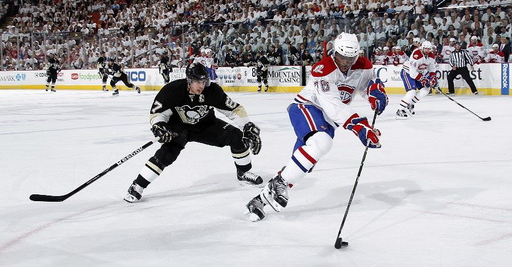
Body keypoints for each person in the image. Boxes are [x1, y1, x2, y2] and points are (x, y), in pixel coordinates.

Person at [244, 32, 388, 221]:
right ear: (334, 52)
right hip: (306, 107)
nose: (346, 62)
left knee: (303, 165)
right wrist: (360, 127)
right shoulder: (323, 69)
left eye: (350, 58)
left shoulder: (363, 66)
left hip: (326, 121)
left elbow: (367, 83)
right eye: (342, 57)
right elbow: (333, 106)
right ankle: (279, 182)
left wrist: (374, 91)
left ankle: (259, 201)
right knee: (322, 142)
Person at [124, 62, 263, 203]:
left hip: (206, 126)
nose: (201, 86)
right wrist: (159, 125)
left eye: (203, 81)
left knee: (237, 136)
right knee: (166, 154)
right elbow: (157, 113)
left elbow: (234, 109)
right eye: (197, 81)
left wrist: (246, 125)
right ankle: (138, 185)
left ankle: (243, 172)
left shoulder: (212, 90)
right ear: (189, 80)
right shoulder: (173, 90)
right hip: (179, 129)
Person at [396, 41, 438, 119]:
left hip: (418, 73)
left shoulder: (431, 56)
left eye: (428, 49)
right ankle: (400, 110)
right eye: (425, 49)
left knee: (426, 89)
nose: (427, 51)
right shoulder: (417, 55)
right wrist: (423, 80)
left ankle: (410, 104)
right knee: (412, 91)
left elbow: (431, 68)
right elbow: (412, 73)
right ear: (422, 48)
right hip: (407, 72)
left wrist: (432, 78)